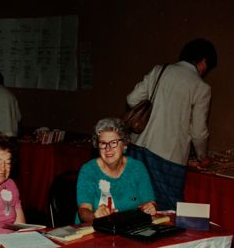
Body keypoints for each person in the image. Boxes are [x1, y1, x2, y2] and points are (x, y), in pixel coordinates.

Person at [125, 38, 217, 211]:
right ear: (203, 61)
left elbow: (132, 99)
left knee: (135, 204)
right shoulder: (201, 87)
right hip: (168, 157)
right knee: (167, 211)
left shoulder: (159, 70)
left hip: (137, 148)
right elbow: (198, 132)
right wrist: (202, 156)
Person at [76, 118, 156, 224]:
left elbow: (150, 202)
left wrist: (150, 207)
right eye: (103, 143)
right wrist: (94, 216)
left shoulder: (137, 168)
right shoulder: (88, 170)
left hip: (128, 228)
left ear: (125, 144)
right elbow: (83, 212)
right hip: (93, 230)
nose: (108, 148)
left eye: (113, 142)